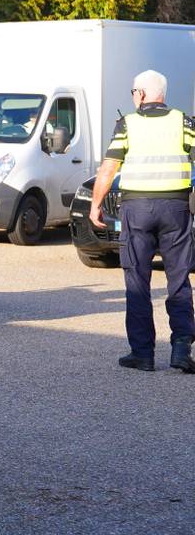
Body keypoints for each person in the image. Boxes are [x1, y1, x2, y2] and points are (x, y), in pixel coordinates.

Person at [89, 70, 195, 373]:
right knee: (178, 277)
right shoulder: (183, 121)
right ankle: (181, 348)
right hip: (176, 209)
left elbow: (109, 167)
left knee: (137, 279)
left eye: (134, 91)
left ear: (142, 94)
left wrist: (96, 205)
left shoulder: (128, 124)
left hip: (137, 210)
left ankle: (143, 354)